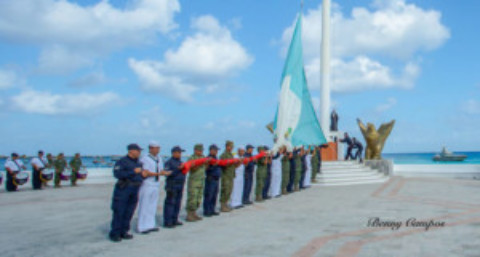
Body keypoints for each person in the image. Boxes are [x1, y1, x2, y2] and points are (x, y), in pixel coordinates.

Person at [109, 144, 145, 242]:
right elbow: (117, 174)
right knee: (119, 211)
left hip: (134, 189)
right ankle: (115, 233)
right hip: (123, 189)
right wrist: (133, 171)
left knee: (129, 211)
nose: (139, 152)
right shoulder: (122, 162)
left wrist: (142, 177)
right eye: (138, 150)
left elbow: (140, 174)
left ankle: (124, 231)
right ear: (131, 151)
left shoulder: (138, 162)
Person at [137, 141, 170, 233]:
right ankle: (142, 226)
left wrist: (163, 173)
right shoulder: (145, 158)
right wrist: (159, 173)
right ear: (151, 148)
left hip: (156, 183)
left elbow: (161, 169)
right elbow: (146, 172)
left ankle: (150, 224)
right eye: (156, 148)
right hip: (147, 183)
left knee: (152, 205)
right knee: (144, 205)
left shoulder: (159, 158)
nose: (158, 150)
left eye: (158, 148)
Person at [163, 146, 186, 228]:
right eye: (179, 153)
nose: (180, 154)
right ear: (174, 153)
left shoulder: (180, 162)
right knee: (170, 203)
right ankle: (168, 221)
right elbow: (167, 173)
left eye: (180, 153)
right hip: (172, 184)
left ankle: (174, 219)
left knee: (177, 203)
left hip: (180, 184)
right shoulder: (169, 162)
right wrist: (178, 169)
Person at [186, 144, 208, 222]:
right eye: (199, 150)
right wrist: (201, 163)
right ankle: (189, 214)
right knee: (192, 198)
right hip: (194, 181)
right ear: (195, 150)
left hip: (201, 180)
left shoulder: (203, 157)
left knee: (198, 198)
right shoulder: (192, 158)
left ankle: (194, 213)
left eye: (202, 150)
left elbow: (205, 168)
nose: (201, 152)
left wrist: (206, 163)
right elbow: (192, 168)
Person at [204, 144, 221, 217]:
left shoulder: (216, 158)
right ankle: (207, 210)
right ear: (211, 150)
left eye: (217, 150)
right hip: (210, 178)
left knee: (214, 195)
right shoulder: (208, 158)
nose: (216, 152)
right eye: (215, 150)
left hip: (216, 179)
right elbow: (206, 168)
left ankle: (212, 209)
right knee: (209, 195)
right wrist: (212, 164)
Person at [220, 140, 237, 212]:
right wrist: (231, 162)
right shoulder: (224, 155)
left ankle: (226, 204)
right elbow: (223, 165)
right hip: (226, 176)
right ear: (227, 146)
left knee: (229, 190)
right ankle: (223, 205)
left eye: (232, 147)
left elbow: (233, 166)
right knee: (225, 190)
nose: (232, 148)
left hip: (231, 175)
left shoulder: (231, 155)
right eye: (230, 146)